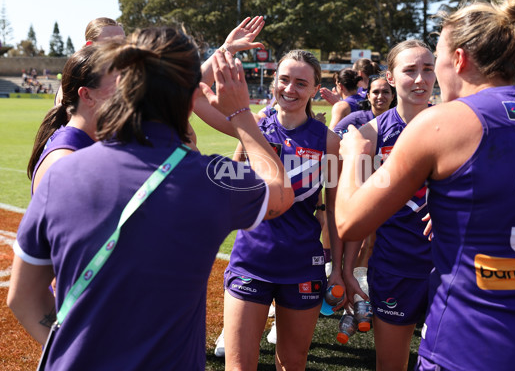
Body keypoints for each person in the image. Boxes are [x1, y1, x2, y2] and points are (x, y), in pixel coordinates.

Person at [7, 27, 294, 370]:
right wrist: (241, 116)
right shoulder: (211, 178)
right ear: (192, 100)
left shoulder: (60, 172)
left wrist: (78, 348)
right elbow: (280, 190)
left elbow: (23, 297)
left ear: (120, 91)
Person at [335, 0, 515, 371]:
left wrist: (354, 157)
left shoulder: (442, 124)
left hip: (465, 345)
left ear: (458, 58)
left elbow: (350, 220)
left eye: (434, 60)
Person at [223, 49, 344, 370]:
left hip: (302, 264)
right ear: (274, 82)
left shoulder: (329, 141)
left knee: (292, 363)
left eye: (301, 83)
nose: (290, 89)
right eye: (284, 80)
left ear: (315, 89)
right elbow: (230, 192)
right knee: (238, 365)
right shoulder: (254, 128)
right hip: (250, 259)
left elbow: (334, 211)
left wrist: (341, 269)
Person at [342, 40, 435, 370]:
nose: (420, 79)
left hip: (449, 270)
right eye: (410, 71)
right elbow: (356, 210)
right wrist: (349, 268)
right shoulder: (370, 134)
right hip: (395, 268)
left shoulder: (452, 125)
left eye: (428, 69)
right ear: (391, 78)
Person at [27, 45, 117, 195]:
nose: (127, 95)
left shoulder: (91, 142)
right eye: (116, 86)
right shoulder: (65, 161)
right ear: (87, 95)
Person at [54, 17, 126, 107]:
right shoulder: (76, 82)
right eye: (111, 43)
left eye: (123, 42)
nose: (120, 48)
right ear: (90, 46)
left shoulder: (127, 72)